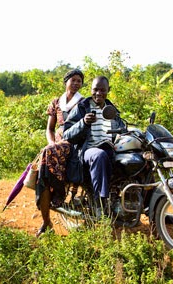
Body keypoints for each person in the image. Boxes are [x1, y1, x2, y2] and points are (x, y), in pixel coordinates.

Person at [63, 76, 126, 217]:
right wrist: (83, 123)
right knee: (99, 155)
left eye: (102, 90)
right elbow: (67, 134)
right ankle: (100, 204)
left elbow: (123, 129)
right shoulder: (82, 107)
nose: (98, 93)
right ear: (91, 90)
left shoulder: (112, 110)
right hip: (88, 151)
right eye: (95, 90)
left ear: (108, 90)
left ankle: (148, 208)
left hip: (111, 150)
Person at [35, 69, 84, 237]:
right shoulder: (57, 102)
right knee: (43, 176)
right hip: (56, 144)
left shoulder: (83, 102)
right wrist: (52, 143)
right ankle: (46, 221)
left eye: (79, 81)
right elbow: (50, 128)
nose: (76, 83)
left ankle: (60, 193)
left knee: (46, 157)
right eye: (73, 80)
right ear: (66, 82)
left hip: (73, 142)